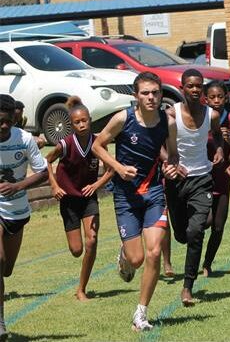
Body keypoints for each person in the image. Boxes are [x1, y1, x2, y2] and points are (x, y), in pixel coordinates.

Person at [92, 72, 178, 332]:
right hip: (126, 197)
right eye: (145, 93)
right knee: (137, 259)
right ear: (135, 96)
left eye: (155, 92)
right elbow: (97, 145)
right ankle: (125, 255)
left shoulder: (168, 122)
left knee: (153, 252)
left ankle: (141, 313)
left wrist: (172, 167)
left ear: (161, 94)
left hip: (153, 193)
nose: (151, 97)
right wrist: (118, 167)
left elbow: (173, 156)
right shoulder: (123, 118)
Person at [165, 69, 224, 305]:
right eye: (190, 86)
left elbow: (218, 137)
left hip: (202, 178)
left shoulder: (212, 115)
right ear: (182, 88)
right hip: (176, 181)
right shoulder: (171, 115)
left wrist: (219, 149)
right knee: (181, 234)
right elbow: (159, 144)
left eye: (199, 86)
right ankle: (189, 227)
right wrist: (169, 163)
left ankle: (188, 287)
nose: (195, 89)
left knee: (196, 232)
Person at [46, 96, 113, 301]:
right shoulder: (65, 144)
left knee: (92, 240)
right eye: (77, 122)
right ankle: (80, 285)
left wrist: (97, 185)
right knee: (77, 250)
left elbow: (111, 169)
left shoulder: (98, 143)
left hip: (89, 198)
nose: (82, 124)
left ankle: (81, 289)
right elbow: (47, 161)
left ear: (90, 120)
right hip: (68, 200)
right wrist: (54, 185)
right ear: (71, 124)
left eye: (85, 120)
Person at [0, 94, 48, 340]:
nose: (4, 126)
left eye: (8, 121)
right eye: (0, 122)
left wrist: (17, 186)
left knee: (6, 270)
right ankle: (0, 321)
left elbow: (43, 173)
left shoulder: (25, 139)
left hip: (17, 211)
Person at [202, 80, 230, 277]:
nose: (216, 101)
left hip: (223, 178)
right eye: (212, 97)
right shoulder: (200, 119)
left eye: (220, 97)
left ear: (226, 98)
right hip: (201, 178)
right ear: (205, 99)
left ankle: (207, 264)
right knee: (204, 221)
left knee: (218, 225)